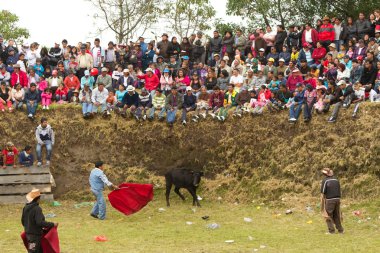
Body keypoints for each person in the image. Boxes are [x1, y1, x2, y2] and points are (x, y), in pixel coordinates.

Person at [21, 189, 58, 253]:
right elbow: (39, 222)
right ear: (38, 199)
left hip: (28, 234)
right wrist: (53, 224)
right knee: (32, 251)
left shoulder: (25, 208)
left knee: (39, 250)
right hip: (35, 236)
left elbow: (23, 221)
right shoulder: (37, 209)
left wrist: (29, 228)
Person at [320, 168, 344, 234]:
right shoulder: (336, 180)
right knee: (337, 215)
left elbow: (323, 192)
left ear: (325, 174)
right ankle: (340, 230)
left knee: (328, 215)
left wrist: (323, 201)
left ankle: (331, 231)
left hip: (330, 200)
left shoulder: (325, 181)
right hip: (338, 199)